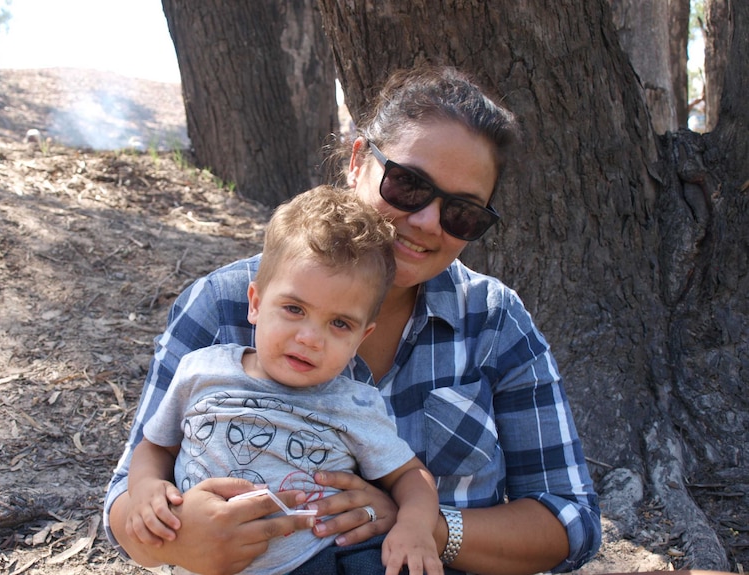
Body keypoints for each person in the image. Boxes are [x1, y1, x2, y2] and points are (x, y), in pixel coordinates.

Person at [105, 65, 602, 575]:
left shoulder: (495, 322)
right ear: (358, 160)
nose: (428, 221)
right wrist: (179, 541)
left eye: (463, 212)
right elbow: (127, 495)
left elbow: (571, 520)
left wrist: (425, 527)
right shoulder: (220, 304)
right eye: (408, 184)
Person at [125, 185, 442, 575]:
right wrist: (144, 489)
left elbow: (411, 475)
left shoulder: (354, 403)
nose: (309, 337)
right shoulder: (201, 371)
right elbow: (155, 446)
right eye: (294, 309)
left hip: (318, 558)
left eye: (339, 323)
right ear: (255, 303)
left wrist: (415, 524)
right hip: (207, 558)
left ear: (362, 337)